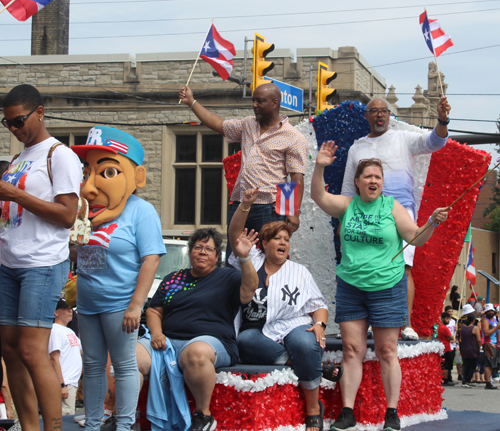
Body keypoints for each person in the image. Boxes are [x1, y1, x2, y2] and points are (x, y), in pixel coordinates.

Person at [311, 144, 448, 431]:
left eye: (378, 177)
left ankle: (391, 413)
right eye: (368, 176)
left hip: (387, 287)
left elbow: (416, 238)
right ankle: (347, 413)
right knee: (351, 350)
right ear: (358, 182)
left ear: (382, 183)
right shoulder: (347, 205)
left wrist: (432, 223)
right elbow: (318, 196)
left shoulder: (392, 207)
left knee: (387, 350)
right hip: (351, 286)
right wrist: (320, 165)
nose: (373, 181)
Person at [71, 126, 166, 431]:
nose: (91, 182)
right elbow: (79, 256)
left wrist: (136, 305)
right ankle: (94, 422)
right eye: (88, 171)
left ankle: (124, 425)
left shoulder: (142, 211)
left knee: (124, 366)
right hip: (87, 303)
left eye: (107, 172)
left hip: (120, 305)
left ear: (135, 176)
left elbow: (151, 258)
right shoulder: (86, 212)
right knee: (94, 365)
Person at [0, 84, 82, 431]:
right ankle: (28, 426)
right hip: (8, 262)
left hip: (41, 263)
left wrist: (15, 194)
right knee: (9, 349)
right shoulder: (19, 158)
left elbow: (67, 215)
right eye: (8, 124)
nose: (15, 129)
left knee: (33, 350)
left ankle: (53, 427)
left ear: (40, 112)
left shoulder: (59, 155)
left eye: (19, 121)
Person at [228, 187, 339, 431]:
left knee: (304, 343)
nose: (283, 243)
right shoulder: (251, 261)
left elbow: (318, 306)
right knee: (245, 340)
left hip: (294, 325)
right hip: (259, 333)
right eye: (277, 238)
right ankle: (311, 365)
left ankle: (313, 409)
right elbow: (235, 235)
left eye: (286, 240)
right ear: (264, 244)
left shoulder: (299, 271)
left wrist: (320, 325)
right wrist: (245, 205)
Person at [341, 96, 451, 341]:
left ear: (390, 115)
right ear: (367, 116)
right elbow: (349, 189)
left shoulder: (403, 138)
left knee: (404, 268)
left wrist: (443, 119)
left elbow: (435, 141)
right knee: (370, 266)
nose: (380, 115)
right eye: (374, 111)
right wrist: (345, 220)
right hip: (367, 214)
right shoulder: (357, 147)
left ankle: (406, 323)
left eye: (384, 111)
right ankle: (373, 322)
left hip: (400, 212)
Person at [136, 227, 259, 431]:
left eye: (209, 249)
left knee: (195, 352)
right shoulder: (172, 279)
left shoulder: (228, 278)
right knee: (130, 357)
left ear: (216, 256)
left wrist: (244, 258)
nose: (203, 252)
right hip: (166, 341)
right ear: (190, 251)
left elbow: (250, 289)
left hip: (212, 343)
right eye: (198, 247)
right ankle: (123, 417)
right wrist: (156, 333)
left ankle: (204, 416)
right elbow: (154, 312)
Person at [178, 83, 308, 262]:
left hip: (269, 208)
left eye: (260, 101)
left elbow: (295, 177)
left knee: (268, 261)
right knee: (235, 259)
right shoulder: (248, 124)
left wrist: (292, 212)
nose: (254, 105)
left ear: (275, 103)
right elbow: (218, 124)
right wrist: (191, 102)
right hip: (241, 205)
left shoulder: (293, 136)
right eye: (253, 100)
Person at [48, 298, 83, 415]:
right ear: (56, 313)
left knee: (68, 415)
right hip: (64, 383)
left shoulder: (69, 331)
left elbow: (82, 352)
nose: (70, 311)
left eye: (70, 308)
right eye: (65, 309)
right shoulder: (54, 330)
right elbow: (54, 359)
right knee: (65, 418)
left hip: (71, 383)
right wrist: (61, 384)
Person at [460, 310, 481, 388]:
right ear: (473, 320)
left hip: (464, 348)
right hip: (473, 348)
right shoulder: (475, 328)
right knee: (472, 365)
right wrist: (480, 347)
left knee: (465, 365)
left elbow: (461, 337)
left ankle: (464, 379)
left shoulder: (463, 327)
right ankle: (468, 380)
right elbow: (478, 340)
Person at [480, 303, 499, 389]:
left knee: (493, 364)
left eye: (492, 310)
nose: (490, 312)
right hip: (488, 343)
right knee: (489, 364)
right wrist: (496, 327)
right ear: (486, 312)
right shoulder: (485, 320)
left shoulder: (494, 320)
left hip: (495, 344)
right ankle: (488, 382)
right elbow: (486, 332)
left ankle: (492, 379)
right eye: (488, 311)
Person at [437, 312, 456, 386]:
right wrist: (451, 339)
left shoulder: (440, 327)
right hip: (446, 347)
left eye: (449, 319)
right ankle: (445, 379)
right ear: (442, 319)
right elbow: (451, 337)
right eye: (447, 319)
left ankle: (444, 379)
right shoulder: (444, 327)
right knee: (446, 365)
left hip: (443, 346)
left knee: (444, 364)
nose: (448, 320)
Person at [445, 305, 462, 381]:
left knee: (451, 360)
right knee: (446, 361)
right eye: (449, 311)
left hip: (453, 344)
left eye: (451, 311)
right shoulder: (444, 322)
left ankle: (449, 375)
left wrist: (456, 330)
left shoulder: (454, 321)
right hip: (447, 343)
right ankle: (447, 377)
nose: (451, 313)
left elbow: (456, 333)